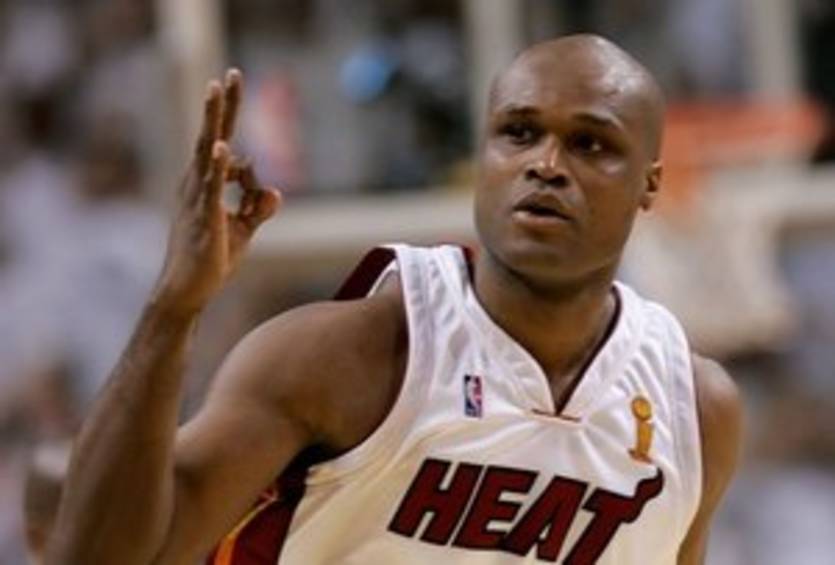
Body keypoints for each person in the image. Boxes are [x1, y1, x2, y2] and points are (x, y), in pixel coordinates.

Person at [46, 34, 742, 564]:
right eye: (519, 133)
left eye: (589, 144)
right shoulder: (346, 355)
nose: (546, 165)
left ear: (651, 184)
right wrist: (172, 310)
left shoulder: (694, 410)